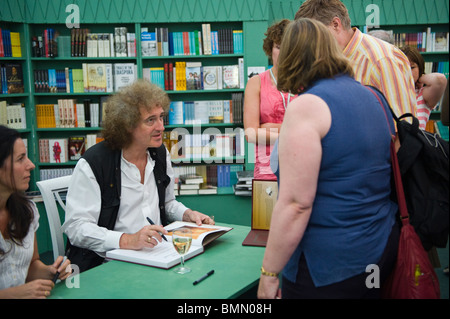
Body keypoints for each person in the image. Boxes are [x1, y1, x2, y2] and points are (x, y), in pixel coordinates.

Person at [257, 18, 399, 299]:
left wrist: (270, 274)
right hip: (378, 249)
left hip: (330, 265)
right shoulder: (374, 96)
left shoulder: (307, 106)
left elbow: (297, 203)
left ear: (291, 56)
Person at [62, 80, 214, 272]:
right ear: (127, 125)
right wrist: (127, 240)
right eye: (150, 120)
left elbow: (167, 203)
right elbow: (76, 227)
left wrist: (187, 214)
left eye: (161, 117)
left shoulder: (159, 153)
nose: (160, 127)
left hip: (158, 255)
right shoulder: (94, 163)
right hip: (107, 264)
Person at [295, 0, 417, 119]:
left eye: (314, 34)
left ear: (336, 24)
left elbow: (402, 127)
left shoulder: (382, 59)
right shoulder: (327, 58)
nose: (310, 43)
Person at [0, 126, 71, 299]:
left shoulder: (27, 211)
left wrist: (51, 271)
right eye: (20, 159)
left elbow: (30, 265)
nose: (31, 165)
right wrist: (12, 295)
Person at [244, 19, 296, 180]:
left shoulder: (305, 81)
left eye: (287, 48)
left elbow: (314, 129)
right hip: (267, 170)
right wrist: (292, 131)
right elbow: (251, 134)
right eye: (278, 47)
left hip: (300, 166)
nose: (282, 53)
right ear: (270, 49)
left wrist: (268, 127)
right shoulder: (256, 82)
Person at [400, 45, 447, 130]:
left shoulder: (422, 94)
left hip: (415, 142)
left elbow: (440, 80)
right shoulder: (390, 91)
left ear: (420, 68)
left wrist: (419, 78)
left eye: (412, 67)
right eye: (402, 67)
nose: (408, 71)